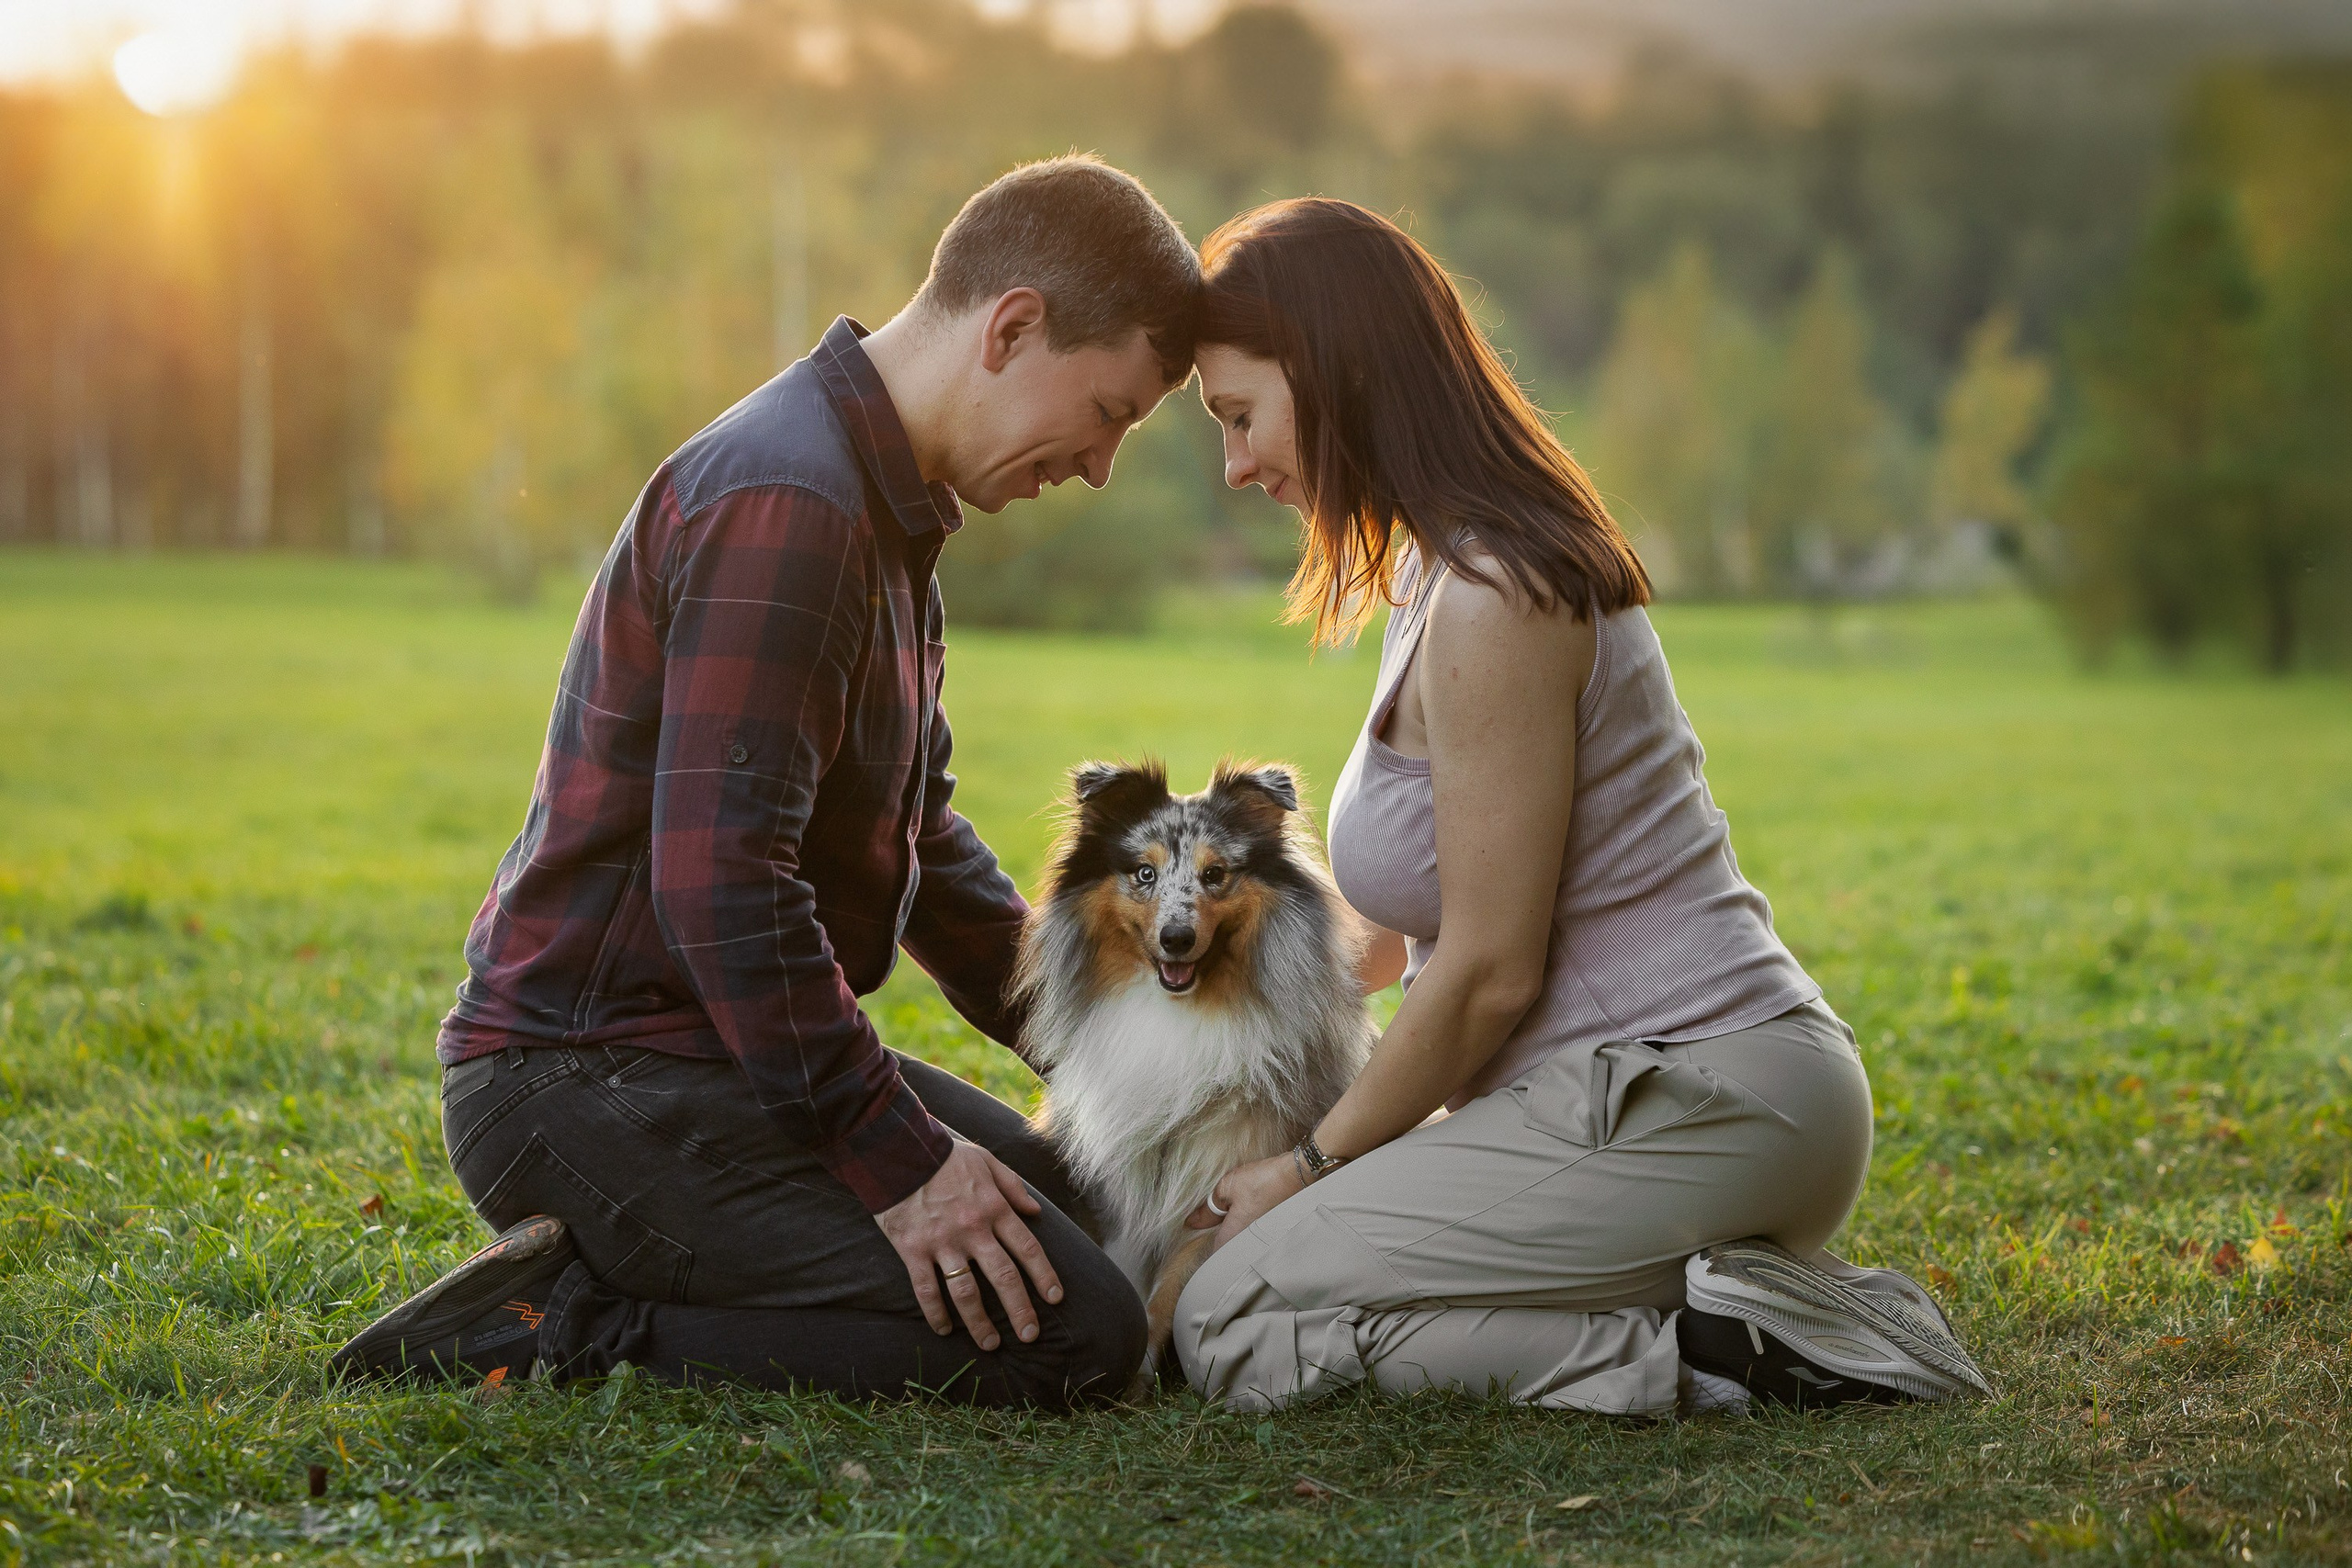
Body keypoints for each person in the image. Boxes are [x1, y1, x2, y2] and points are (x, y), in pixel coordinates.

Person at [331, 156, 1200, 1408]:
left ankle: (657, 1277)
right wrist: (903, 1169)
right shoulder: (793, 500)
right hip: (586, 1081)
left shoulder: (880, 507)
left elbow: (922, 844)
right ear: (1013, 327)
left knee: (1102, 1203)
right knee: (1078, 1336)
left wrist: (1112, 1046)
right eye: (1111, 411)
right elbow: (723, 885)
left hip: (714, 1060)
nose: (1104, 463)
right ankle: (556, 1323)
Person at [1175, 199, 1990, 1416]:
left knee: (1231, 1318)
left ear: (1337, 371)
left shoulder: (1497, 591)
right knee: (1248, 1282)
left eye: (1241, 417)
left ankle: (1712, 1354)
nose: (1236, 465)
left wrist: (1310, 1165)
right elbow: (1404, 936)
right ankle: (1736, 1301)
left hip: (1699, 1098)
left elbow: (1493, 970)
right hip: (1614, 1111)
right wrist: (1206, 1037)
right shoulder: (1431, 575)